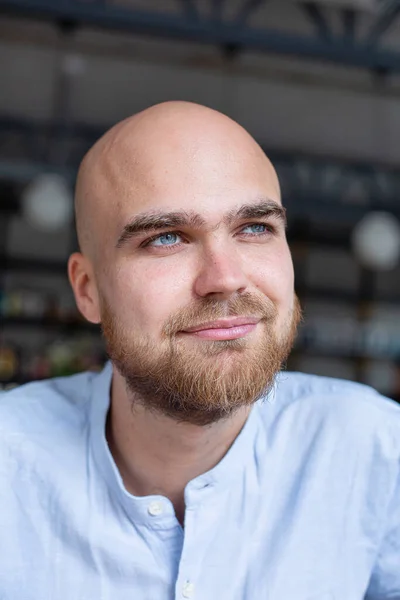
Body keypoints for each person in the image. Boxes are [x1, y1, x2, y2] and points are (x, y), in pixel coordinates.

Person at [0, 101, 399, 600]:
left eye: (255, 228)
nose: (226, 278)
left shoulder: (377, 452)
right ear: (87, 290)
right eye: (166, 237)